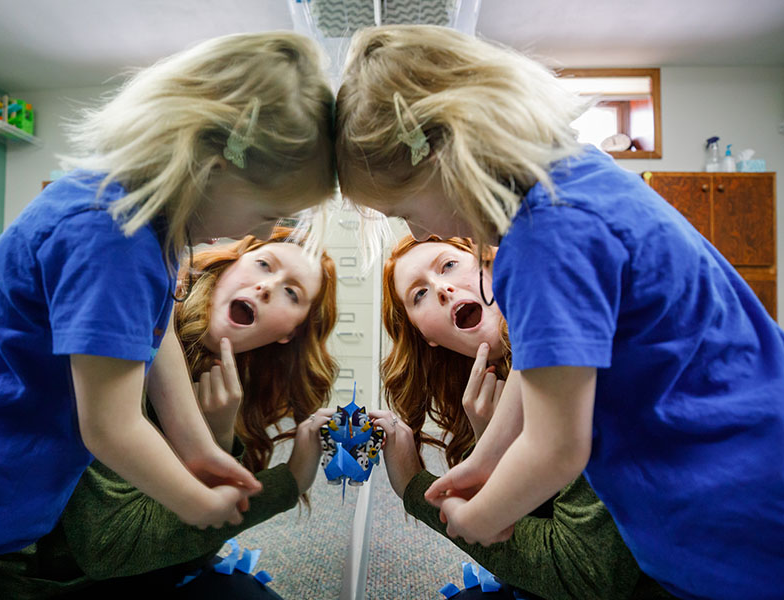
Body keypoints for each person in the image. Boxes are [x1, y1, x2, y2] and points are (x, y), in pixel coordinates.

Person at [335, 24, 784, 600]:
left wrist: (483, 516)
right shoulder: (578, 177)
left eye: (405, 209)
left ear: (444, 159)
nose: (419, 232)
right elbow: (533, 367)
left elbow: (557, 448)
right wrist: (483, 463)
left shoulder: (540, 240)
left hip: (729, 520)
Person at [0, 31, 335, 599]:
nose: (265, 231)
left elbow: (155, 334)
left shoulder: (146, 224)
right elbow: (110, 426)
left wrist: (197, 448)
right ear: (213, 165)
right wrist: (195, 501)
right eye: (270, 212)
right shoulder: (112, 234)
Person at [0, 227, 340, 599]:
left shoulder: (232, 383)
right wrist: (289, 481)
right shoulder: (133, 332)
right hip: (36, 581)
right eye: (264, 265)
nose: (266, 287)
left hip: (126, 574)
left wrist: (219, 437)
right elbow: (111, 544)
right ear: (229, 266)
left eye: (292, 292)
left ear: (291, 332)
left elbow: (186, 555)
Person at [372, 235, 674, 600]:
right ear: (425, 336)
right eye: (419, 294)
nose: (441, 289)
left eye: (448, 265)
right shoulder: (487, 393)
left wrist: (414, 486)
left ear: (490, 264)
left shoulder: (577, 356)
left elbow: (584, 574)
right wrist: (494, 446)